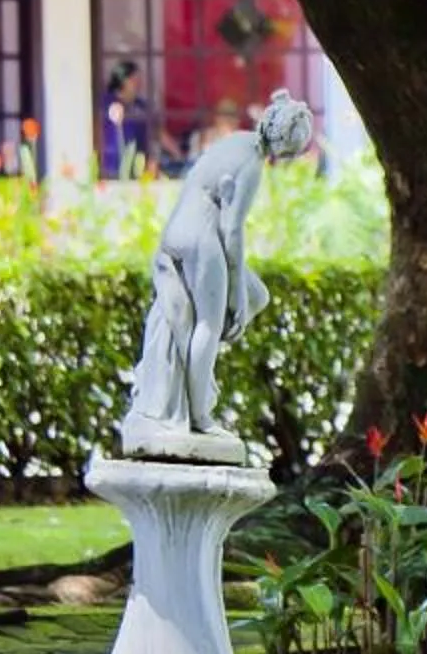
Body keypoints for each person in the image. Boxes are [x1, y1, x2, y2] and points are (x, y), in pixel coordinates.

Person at [121, 91, 315, 454]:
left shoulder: (235, 142)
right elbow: (232, 230)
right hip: (203, 237)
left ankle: (192, 389)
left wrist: (243, 290)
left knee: (257, 297)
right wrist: (235, 288)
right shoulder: (253, 166)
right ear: (285, 142)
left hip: (176, 233)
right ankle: (200, 417)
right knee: (209, 325)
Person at [100, 62, 155, 178]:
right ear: (122, 80)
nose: (139, 84)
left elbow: (157, 132)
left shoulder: (141, 106)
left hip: (139, 166)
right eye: (134, 80)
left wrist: (178, 153)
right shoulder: (107, 102)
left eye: (140, 80)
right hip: (112, 167)